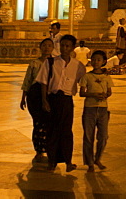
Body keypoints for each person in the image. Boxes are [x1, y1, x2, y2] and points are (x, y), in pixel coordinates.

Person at [37, 33, 86, 172]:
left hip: (66, 100)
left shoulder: (78, 66)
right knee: (52, 131)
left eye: (68, 46)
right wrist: (44, 101)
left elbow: (85, 80)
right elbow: (43, 83)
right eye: (62, 45)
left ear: (73, 48)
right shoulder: (50, 62)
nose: (64, 48)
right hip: (53, 99)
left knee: (66, 131)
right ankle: (52, 161)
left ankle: (68, 161)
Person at [20, 38, 55, 164]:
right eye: (44, 45)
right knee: (38, 123)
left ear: (53, 48)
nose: (46, 48)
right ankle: (39, 150)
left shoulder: (55, 63)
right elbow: (27, 80)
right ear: (40, 47)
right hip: (35, 96)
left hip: (50, 96)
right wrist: (23, 97)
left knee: (49, 124)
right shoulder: (34, 63)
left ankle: (49, 148)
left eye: (49, 45)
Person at [78, 50, 114, 171]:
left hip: (103, 109)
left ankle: (98, 158)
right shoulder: (87, 76)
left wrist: (105, 95)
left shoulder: (106, 77)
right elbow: (82, 93)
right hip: (89, 109)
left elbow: (109, 91)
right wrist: (93, 94)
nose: (96, 62)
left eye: (99, 60)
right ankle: (90, 162)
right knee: (88, 136)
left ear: (104, 62)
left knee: (103, 136)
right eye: (94, 59)